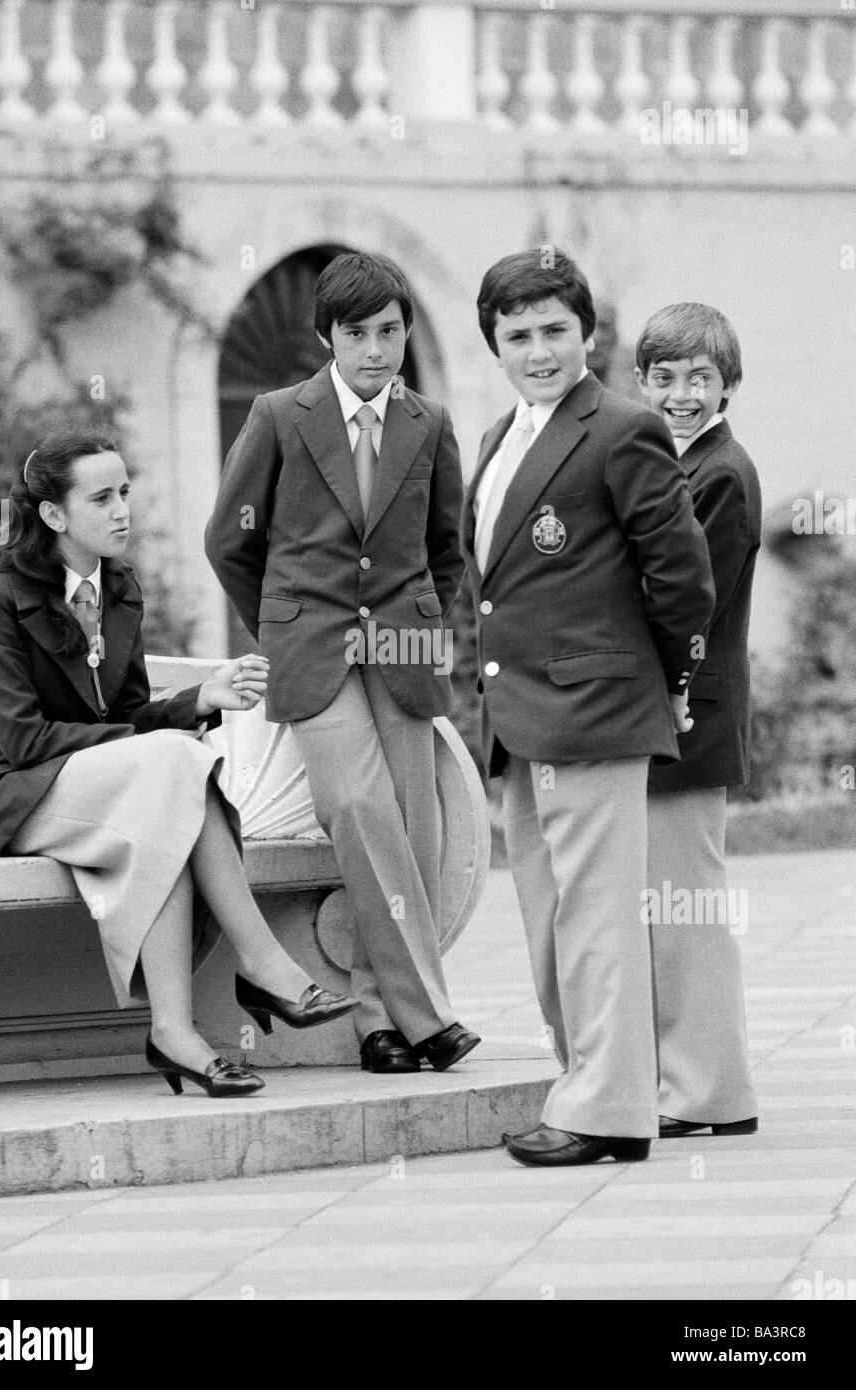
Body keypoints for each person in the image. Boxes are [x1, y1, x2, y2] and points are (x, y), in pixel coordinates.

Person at [0, 433, 357, 1099]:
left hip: (105, 790)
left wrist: (201, 698)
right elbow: (21, 740)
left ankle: (174, 1032)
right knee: (176, 768)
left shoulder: (121, 590)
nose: (122, 511)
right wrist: (159, 740)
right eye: (102, 498)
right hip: (14, 794)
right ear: (54, 515)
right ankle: (262, 964)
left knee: (170, 800)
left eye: (125, 494)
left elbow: (131, 711)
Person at [464, 248, 715, 1166]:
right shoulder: (498, 438)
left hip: (595, 712)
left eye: (554, 331)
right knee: (546, 921)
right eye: (518, 334)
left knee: (600, 919)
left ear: (589, 334)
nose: (538, 350)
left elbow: (682, 576)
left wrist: (662, 680)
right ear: (493, 342)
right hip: (518, 718)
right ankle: (587, 1087)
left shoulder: (621, 428)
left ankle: (607, 1114)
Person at [205, 251, 480, 1074]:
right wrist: (281, 628)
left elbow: (446, 548)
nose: (375, 349)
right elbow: (230, 541)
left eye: (390, 331)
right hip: (313, 647)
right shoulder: (280, 415)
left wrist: (428, 621)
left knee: (414, 826)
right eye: (357, 333)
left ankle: (374, 1020)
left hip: (403, 641)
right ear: (327, 337)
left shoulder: (428, 424)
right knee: (359, 808)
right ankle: (428, 1014)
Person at [635, 302, 760, 1138]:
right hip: (668, 711)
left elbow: (689, 603)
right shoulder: (673, 461)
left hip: (690, 712)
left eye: (700, 378)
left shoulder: (719, 473)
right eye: (666, 377)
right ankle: (681, 1083)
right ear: (642, 382)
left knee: (686, 910)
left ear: (728, 385)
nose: (682, 393)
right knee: (666, 906)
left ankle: (710, 1094)